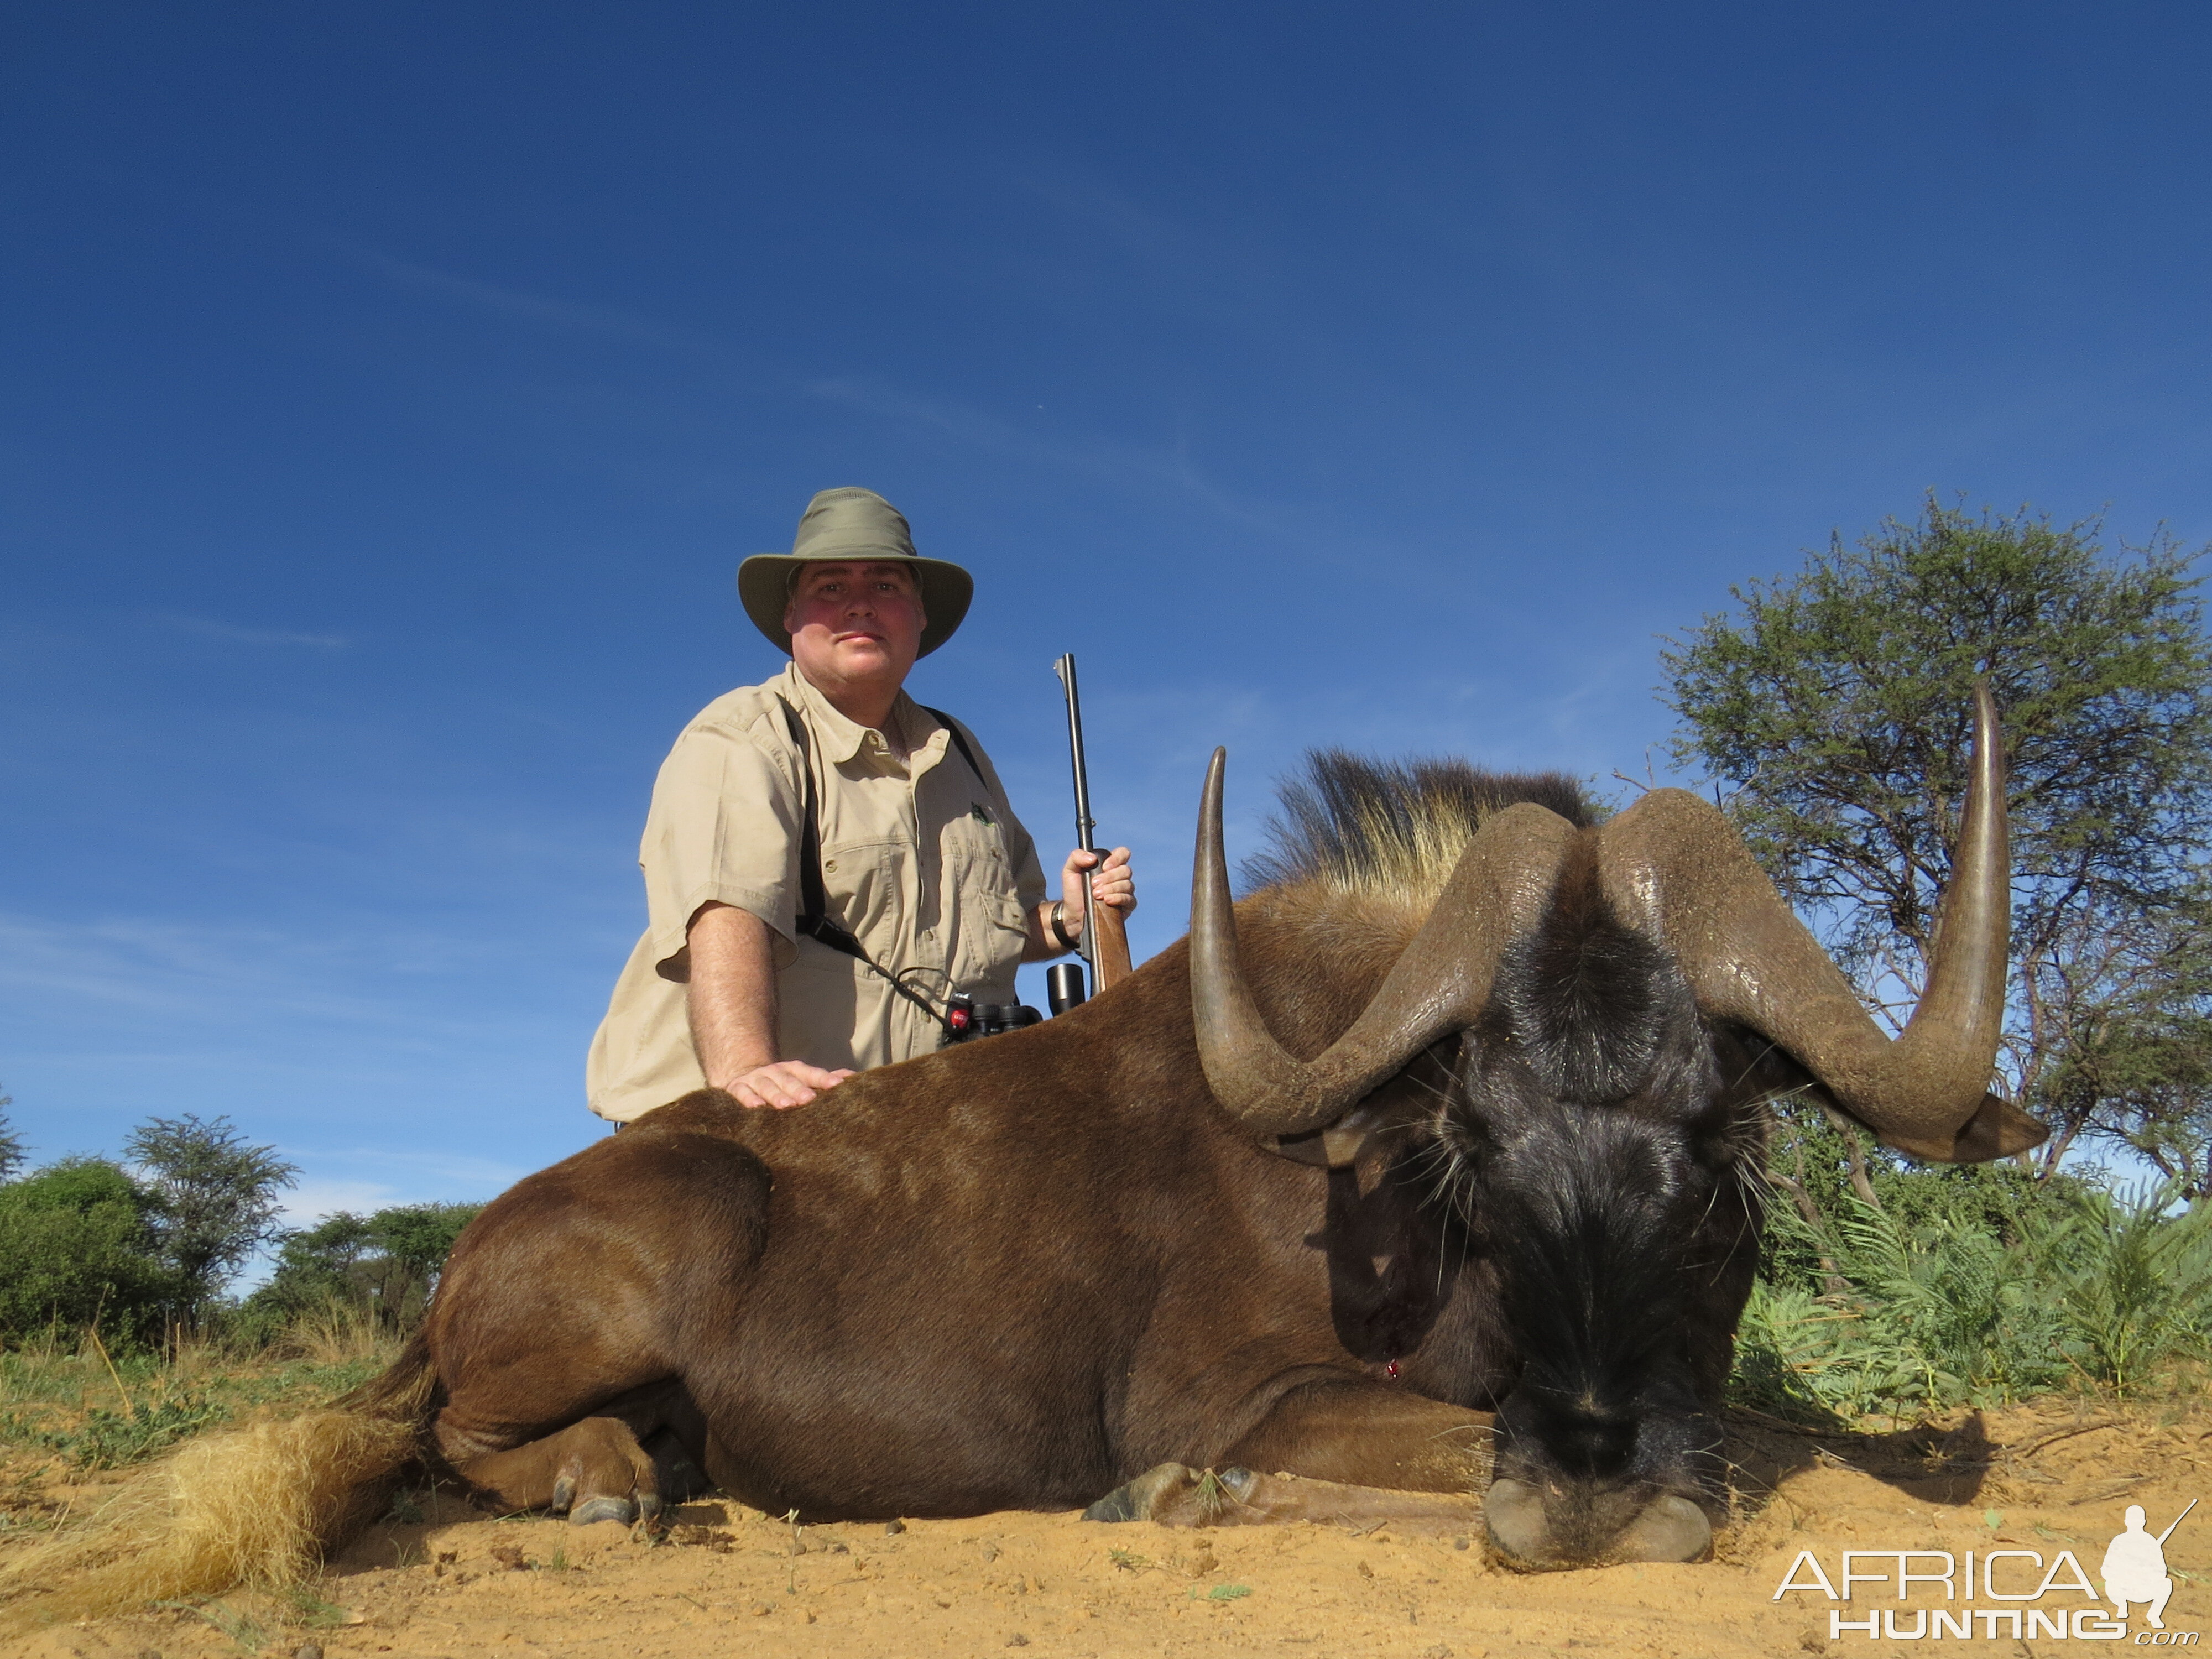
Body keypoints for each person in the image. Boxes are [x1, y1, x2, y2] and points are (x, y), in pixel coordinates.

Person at [586, 487, 1135, 1123]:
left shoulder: (959, 750)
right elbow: (725, 912)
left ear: (918, 614)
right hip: (768, 1126)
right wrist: (745, 1071)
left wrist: (1068, 920)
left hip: (924, 1133)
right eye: (829, 587)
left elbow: (1002, 932)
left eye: (883, 587)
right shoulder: (744, 735)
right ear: (790, 616)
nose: (858, 606)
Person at [2101, 1505, 2175, 1629]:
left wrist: (2145, 1570)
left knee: (2166, 1583)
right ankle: (2122, 1606)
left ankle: (2154, 1615)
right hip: (2122, 1589)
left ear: (2143, 1522)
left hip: (2145, 1589)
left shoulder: (2151, 1542)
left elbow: (2162, 1571)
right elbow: (2106, 1569)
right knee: (2109, 1582)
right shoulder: (2119, 1541)